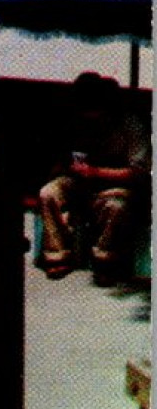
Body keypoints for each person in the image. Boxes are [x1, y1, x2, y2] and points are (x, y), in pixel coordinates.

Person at [38, 72, 152, 284]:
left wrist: (96, 172)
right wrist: (60, 170)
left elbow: (140, 173)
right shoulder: (77, 122)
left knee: (116, 206)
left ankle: (105, 261)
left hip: (116, 186)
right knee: (48, 193)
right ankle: (57, 256)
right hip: (80, 183)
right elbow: (63, 157)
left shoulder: (131, 126)